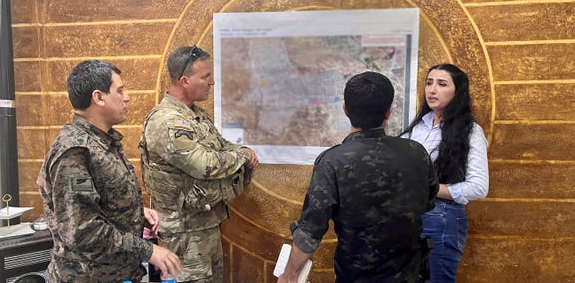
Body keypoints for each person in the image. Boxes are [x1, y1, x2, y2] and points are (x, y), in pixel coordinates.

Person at [277, 71, 439, 283]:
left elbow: (310, 231)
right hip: (410, 274)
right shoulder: (416, 152)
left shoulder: (332, 162)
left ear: (345, 110)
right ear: (389, 112)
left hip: (356, 276)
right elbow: (428, 201)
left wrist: (289, 274)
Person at [37, 60, 182, 282]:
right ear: (99, 97)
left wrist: (134, 212)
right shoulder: (75, 151)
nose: (127, 97)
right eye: (120, 90)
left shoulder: (101, 141)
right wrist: (148, 250)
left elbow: (96, 201)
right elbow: (83, 231)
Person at [139, 45, 259, 282]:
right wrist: (243, 157)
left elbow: (221, 147)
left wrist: (240, 150)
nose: (211, 82)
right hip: (183, 234)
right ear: (184, 80)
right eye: (205, 76)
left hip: (205, 226)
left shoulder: (196, 115)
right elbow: (204, 165)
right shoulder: (167, 121)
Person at [401, 63, 489, 282]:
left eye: (441, 84)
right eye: (429, 83)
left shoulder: (470, 131)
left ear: (457, 91)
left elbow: (478, 187)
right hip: (407, 216)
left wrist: (429, 188)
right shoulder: (417, 128)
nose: (432, 90)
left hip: (443, 217)